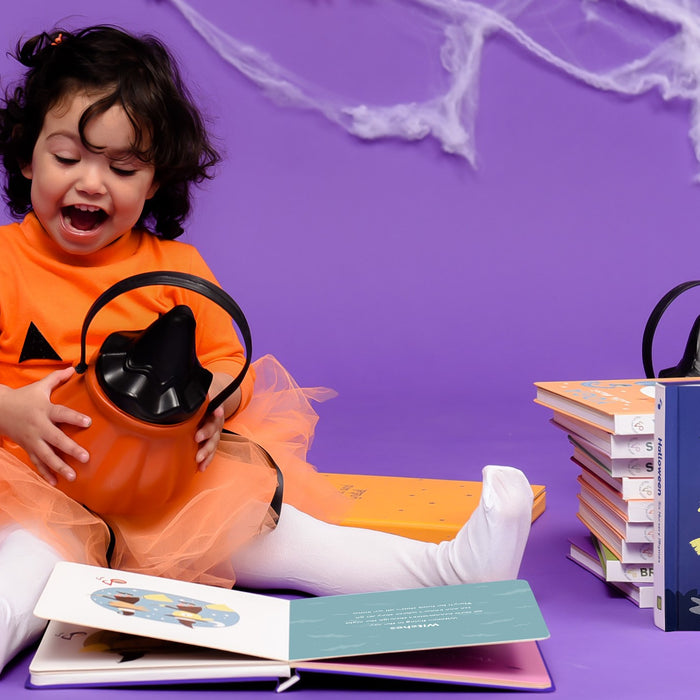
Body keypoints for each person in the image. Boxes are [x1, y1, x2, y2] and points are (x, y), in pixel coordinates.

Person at [0, 25, 534, 672]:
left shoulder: (174, 270)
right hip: (37, 488)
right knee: (22, 576)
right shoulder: (7, 264)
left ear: (154, 182)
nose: (93, 183)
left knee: (289, 540)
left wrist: (218, 402)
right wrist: (10, 409)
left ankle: (450, 573)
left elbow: (227, 361)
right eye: (68, 158)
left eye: (122, 167)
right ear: (27, 156)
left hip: (167, 492)